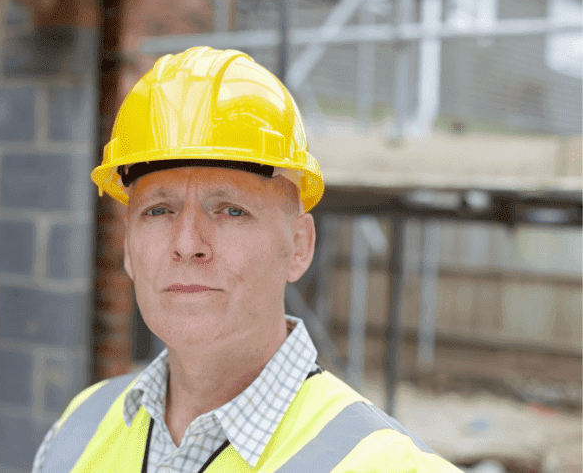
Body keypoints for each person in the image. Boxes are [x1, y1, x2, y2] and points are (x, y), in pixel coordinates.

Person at [32, 46, 461, 473]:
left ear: (299, 246)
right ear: (127, 248)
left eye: (231, 210)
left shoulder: (386, 465)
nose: (186, 243)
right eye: (158, 210)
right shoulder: (78, 430)